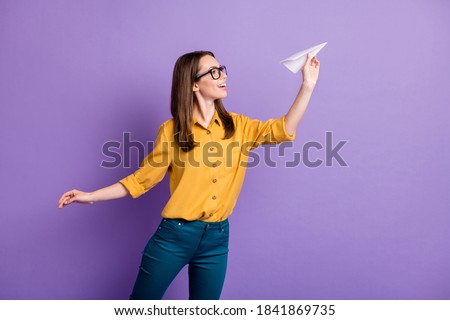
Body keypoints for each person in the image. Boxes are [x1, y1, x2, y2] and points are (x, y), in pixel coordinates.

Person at [58, 50, 320, 299]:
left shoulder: (240, 127)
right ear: (194, 84)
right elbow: (141, 180)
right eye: (214, 72)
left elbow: (283, 130)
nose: (224, 76)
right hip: (174, 237)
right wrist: (91, 195)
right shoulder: (171, 132)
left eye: (222, 70)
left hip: (217, 240)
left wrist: (307, 85)